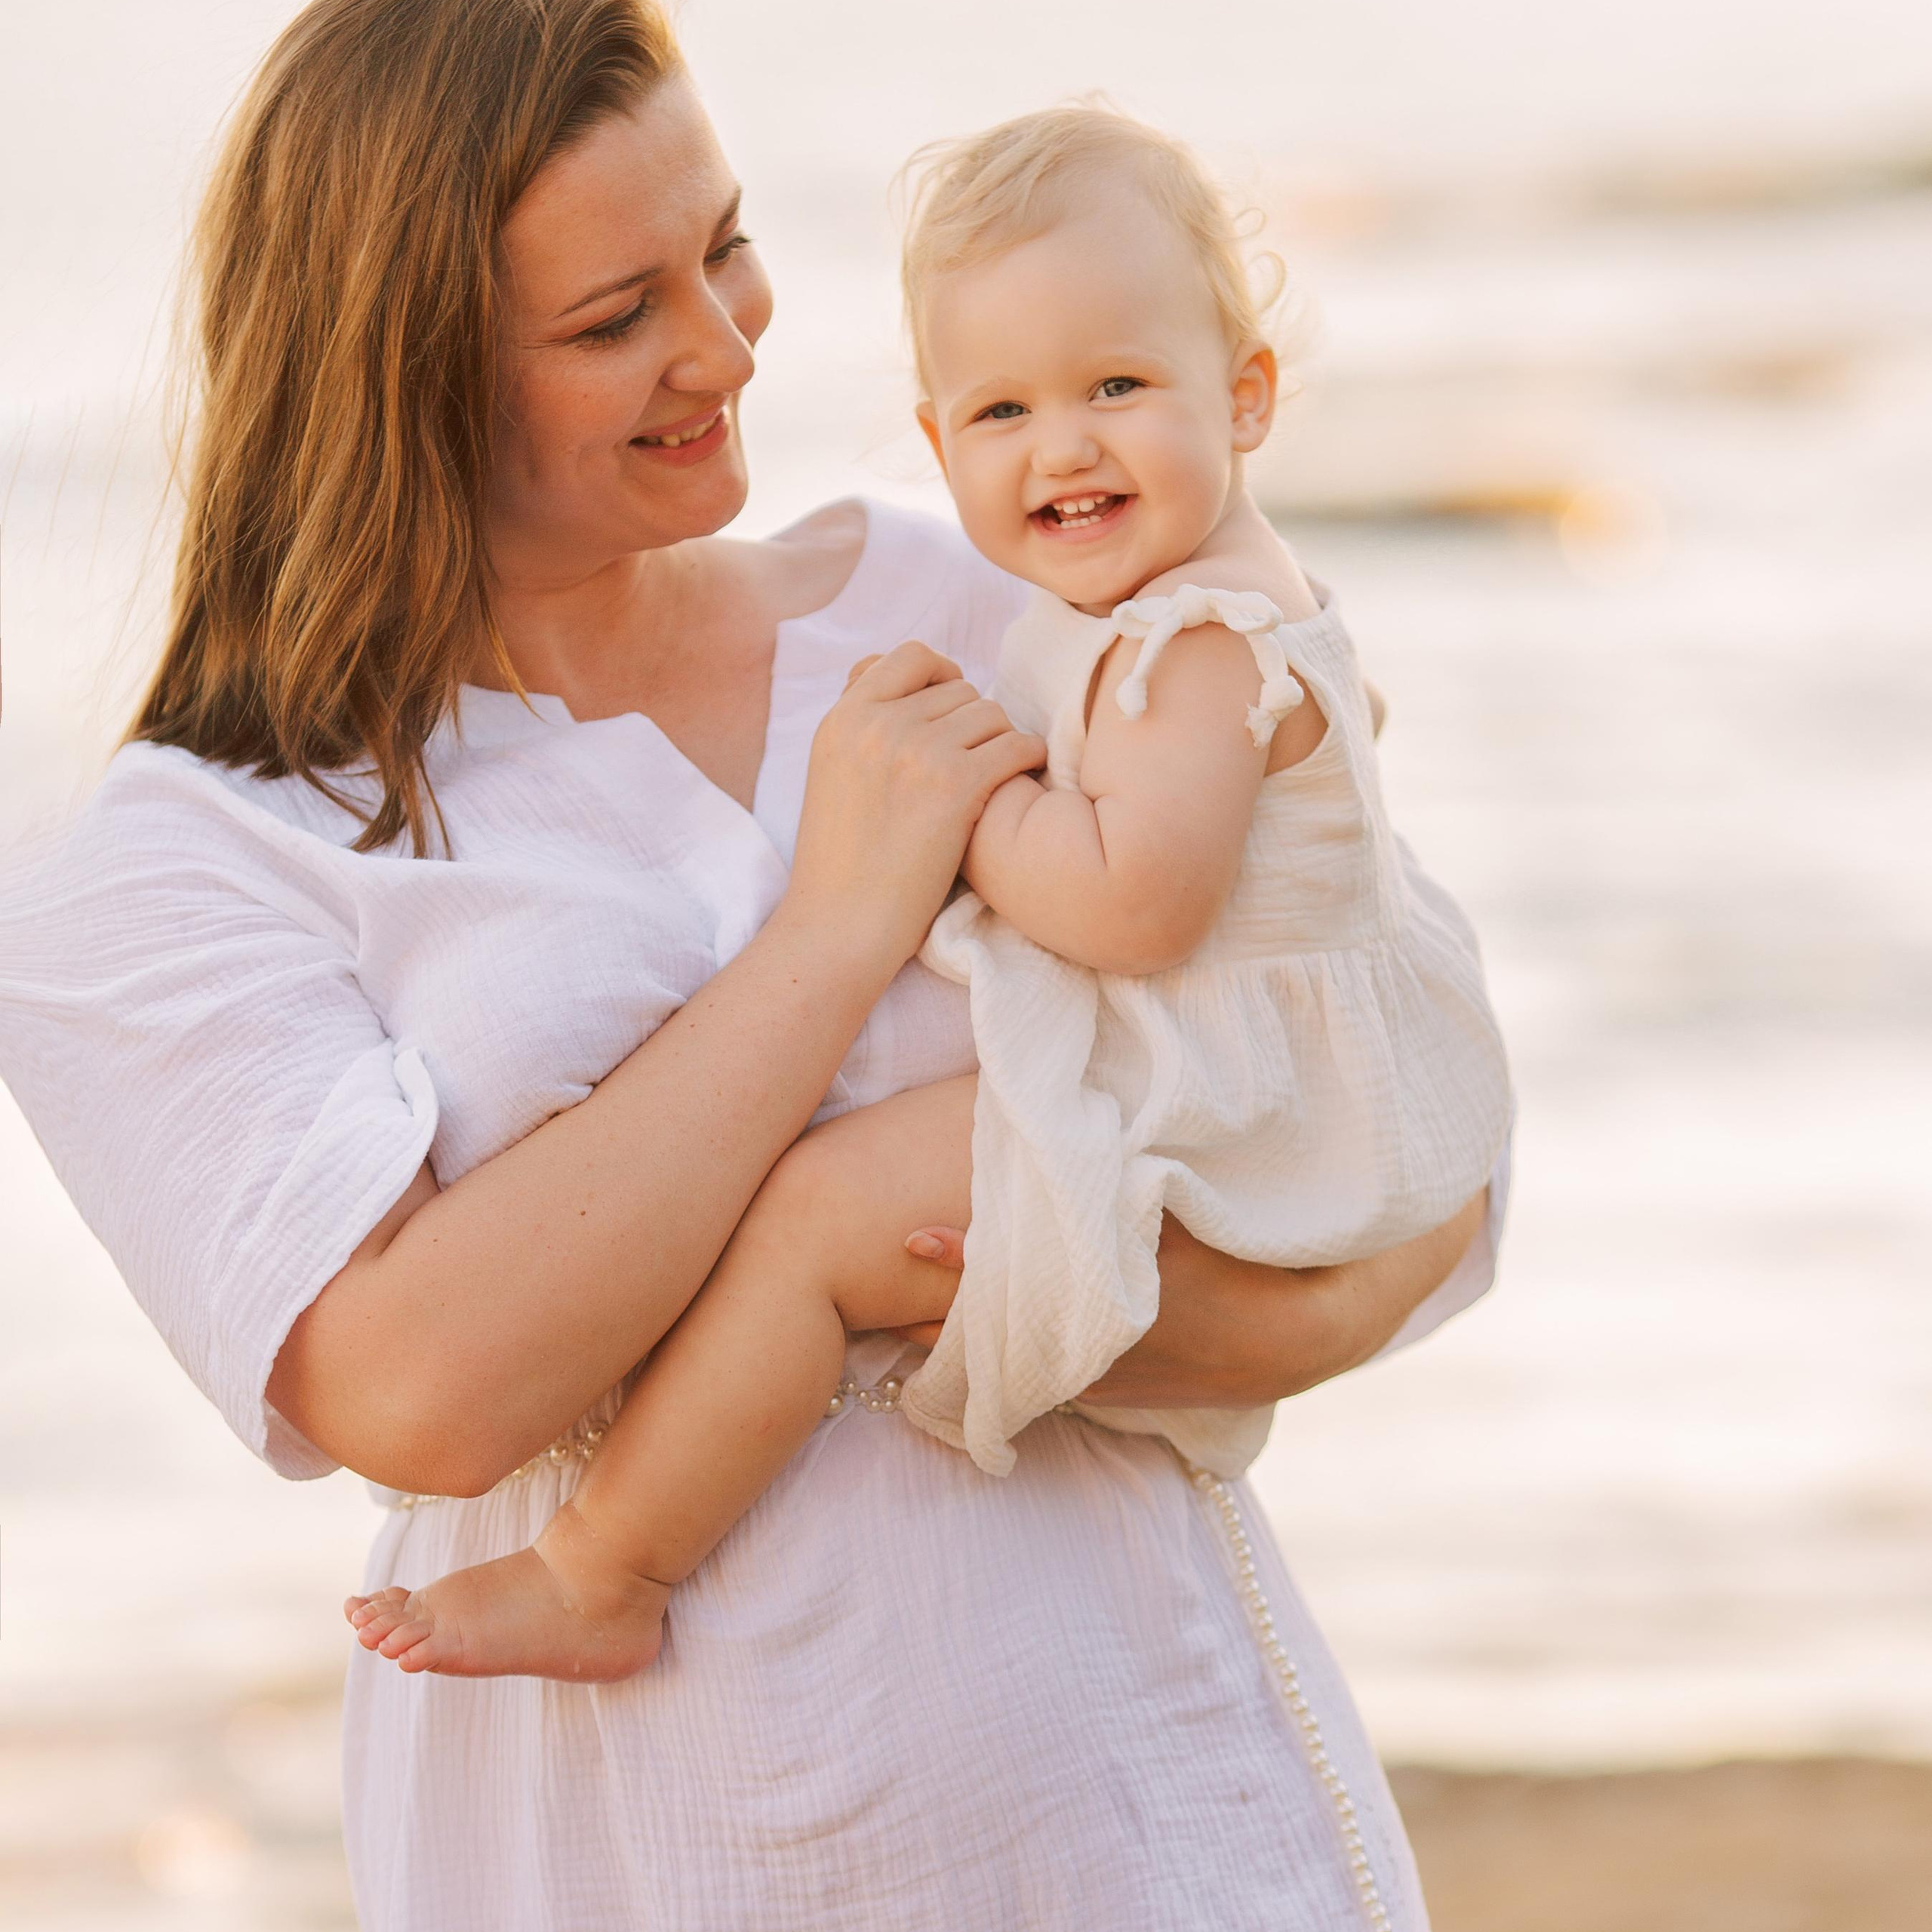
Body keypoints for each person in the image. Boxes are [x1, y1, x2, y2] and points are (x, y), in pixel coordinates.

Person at [0, 5, 1508, 1927]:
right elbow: (421, 1386)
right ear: (402, 376)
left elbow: (1399, 1120)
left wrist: (983, 1280)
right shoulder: (179, 861)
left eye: (722, 246)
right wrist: (835, 931)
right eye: (611, 318)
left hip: (1163, 1808)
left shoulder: (974, 594)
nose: (723, 347)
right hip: (647, 1855)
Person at [346, 105, 1512, 1723]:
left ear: (1243, 394)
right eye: (1002, 410)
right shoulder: (1157, 603)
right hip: (1226, 1061)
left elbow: (1136, 903)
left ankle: (605, 1569)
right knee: (836, 1220)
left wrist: (963, 816)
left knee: (818, 1225)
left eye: (1117, 387)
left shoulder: (1195, 642)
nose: (1063, 449)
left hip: (1222, 1082)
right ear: (933, 434)